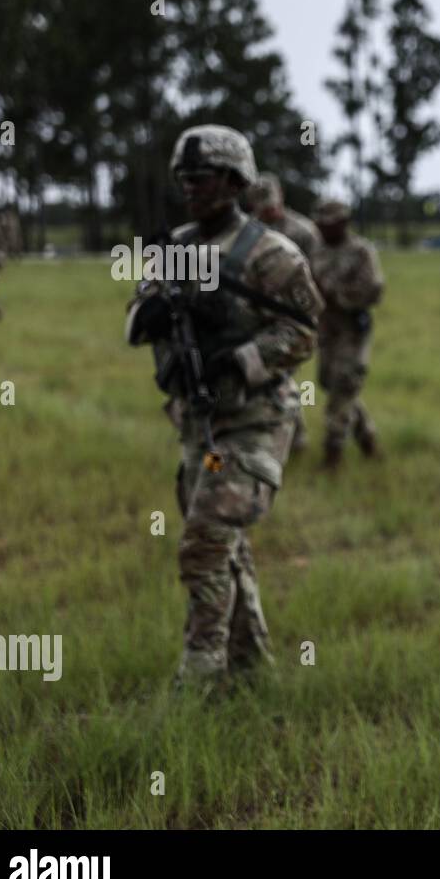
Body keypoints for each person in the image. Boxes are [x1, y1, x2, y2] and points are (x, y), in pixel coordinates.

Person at [125, 124, 324, 688]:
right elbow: (135, 317)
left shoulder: (270, 253)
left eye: (203, 177)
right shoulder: (175, 248)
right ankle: (254, 669)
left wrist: (240, 359)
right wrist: (152, 317)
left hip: (255, 423)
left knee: (204, 544)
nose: (191, 187)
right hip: (199, 426)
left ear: (235, 180)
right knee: (226, 548)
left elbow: (305, 331)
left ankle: (200, 683)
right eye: (183, 178)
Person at [245, 172, 321, 453]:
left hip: (299, 317)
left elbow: (318, 275)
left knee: (332, 378)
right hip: (262, 319)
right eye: (261, 206)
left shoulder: (303, 231)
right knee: (279, 376)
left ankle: (356, 428)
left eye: (271, 204)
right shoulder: (247, 233)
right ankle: (293, 439)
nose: (268, 210)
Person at [310, 198, 384, 469]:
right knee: (332, 384)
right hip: (326, 331)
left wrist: (336, 295)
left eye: (329, 224)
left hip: (352, 330)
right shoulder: (315, 250)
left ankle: (333, 453)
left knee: (342, 387)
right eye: (320, 224)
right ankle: (367, 437)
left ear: (343, 223)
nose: (324, 230)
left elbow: (374, 290)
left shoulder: (360, 251)